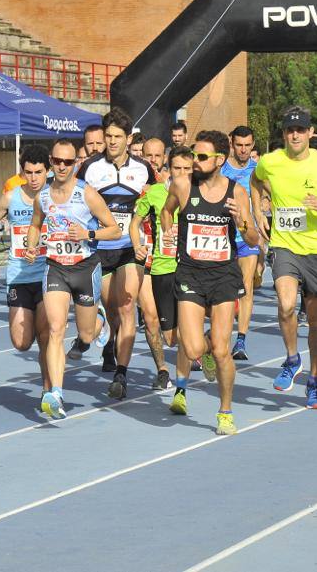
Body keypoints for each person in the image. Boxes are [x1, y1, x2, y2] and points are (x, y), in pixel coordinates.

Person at [161, 130, 259, 435]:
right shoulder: (182, 185)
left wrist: (242, 220)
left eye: (201, 157)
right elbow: (166, 211)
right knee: (191, 349)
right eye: (193, 156)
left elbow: (254, 239)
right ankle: (203, 350)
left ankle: (225, 411)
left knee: (221, 350)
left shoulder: (236, 192)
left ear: (219, 160)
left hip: (223, 275)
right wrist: (168, 230)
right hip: (190, 273)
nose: (195, 162)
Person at [250, 107, 317, 409]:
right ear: (283, 134)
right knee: (286, 304)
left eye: (301, 130)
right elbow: (255, 181)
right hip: (284, 245)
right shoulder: (270, 162)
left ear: (310, 132)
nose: (295, 135)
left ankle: (315, 380)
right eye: (290, 130)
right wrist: (258, 211)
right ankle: (292, 359)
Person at [24, 139, 120, 418]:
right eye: (57, 161)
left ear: (76, 164)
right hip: (56, 268)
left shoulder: (86, 194)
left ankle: (99, 317)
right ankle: (56, 392)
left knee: (86, 335)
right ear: (50, 162)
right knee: (55, 330)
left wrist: (88, 235)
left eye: (68, 162)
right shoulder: (42, 195)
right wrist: (32, 247)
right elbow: (35, 225)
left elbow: (113, 230)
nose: (62, 166)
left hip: (85, 268)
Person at [75, 108, 156, 398]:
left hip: (129, 247)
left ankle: (121, 374)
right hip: (100, 247)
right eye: (107, 136)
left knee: (126, 303)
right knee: (111, 309)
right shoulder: (90, 168)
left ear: (128, 137)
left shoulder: (144, 169)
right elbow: (77, 203)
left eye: (117, 137)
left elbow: (158, 204)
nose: (111, 141)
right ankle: (110, 343)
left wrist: (155, 238)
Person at [0, 145, 53, 394]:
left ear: (48, 170)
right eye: (28, 173)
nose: (33, 178)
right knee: (21, 342)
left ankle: (49, 390)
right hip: (19, 275)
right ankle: (42, 339)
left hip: (49, 274)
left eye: (38, 172)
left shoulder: (55, 195)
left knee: (46, 337)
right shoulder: (11, 197)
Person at [131, 141, 179, 392]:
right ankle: (162, 370)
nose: (152, 159)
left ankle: (200, 345)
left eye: (157, 156)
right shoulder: (131, 177)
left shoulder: (176, 186)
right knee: (150, 318)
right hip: (145, 260)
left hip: (173, 261)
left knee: (174, 336)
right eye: (147, 155)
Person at [221, 125, 259, 360]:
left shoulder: (259, 171)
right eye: (239, 145)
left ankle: (241, 340)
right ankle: (216, 336)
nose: (243, 150)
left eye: (247, 145)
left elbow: (270, 196)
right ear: (231, 144)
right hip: (222, 237)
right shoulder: (221, 168)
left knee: (246, 288)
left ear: (253, 145)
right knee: (224, 292)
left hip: (247, 237)